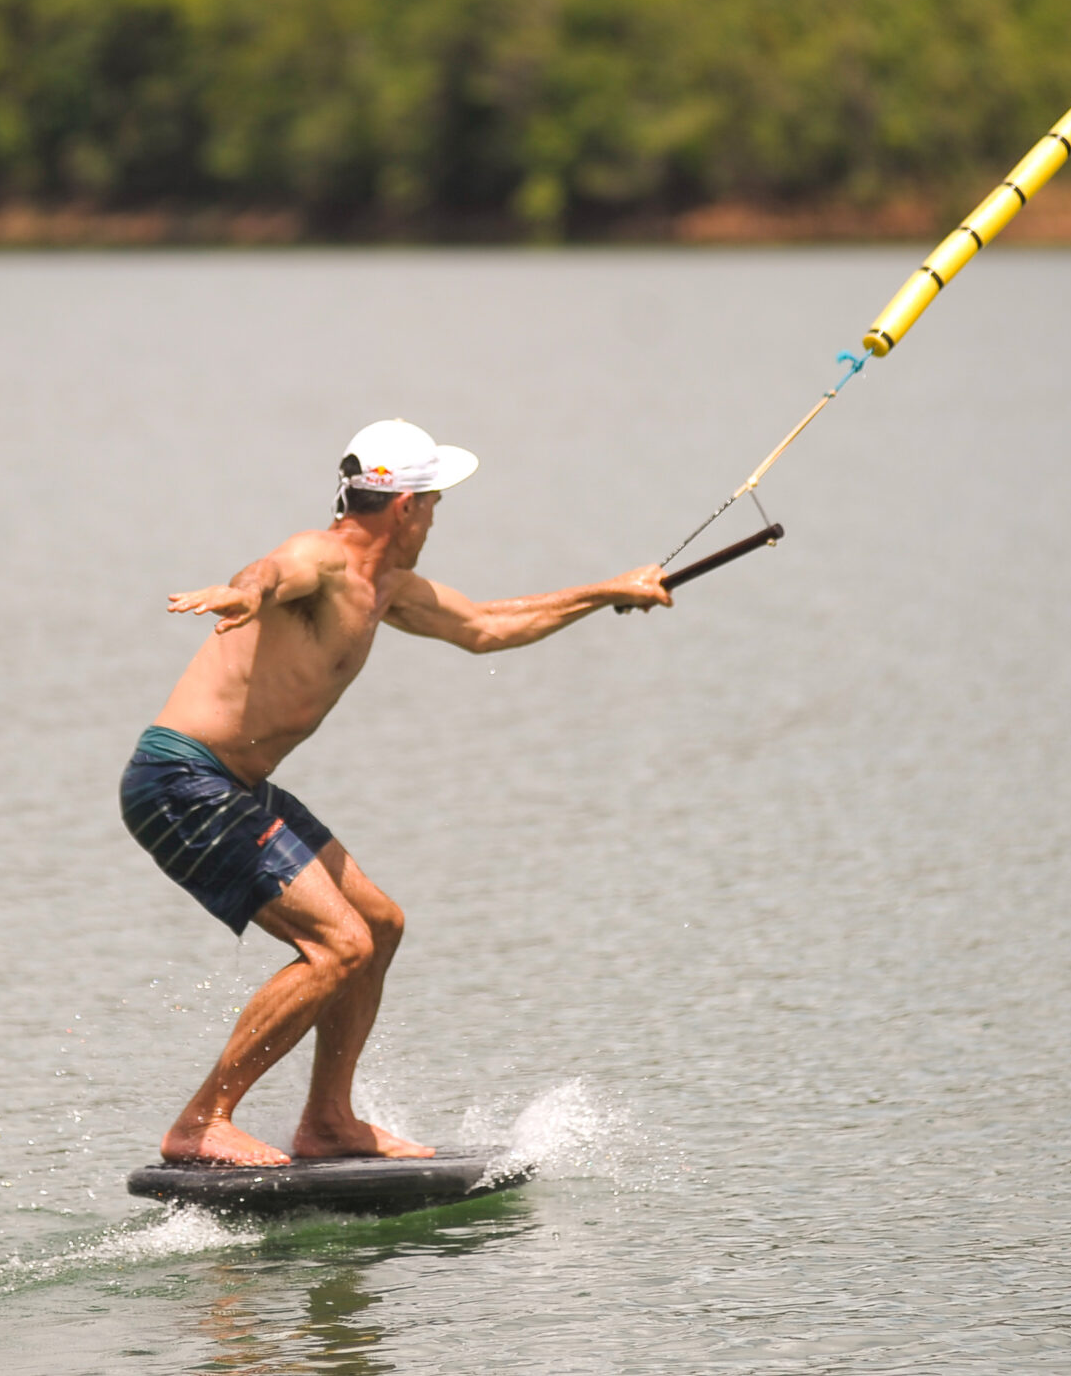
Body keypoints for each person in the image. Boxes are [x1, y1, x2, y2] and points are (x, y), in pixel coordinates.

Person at [120, 419, 672, 1166]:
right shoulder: (325, 558)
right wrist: (245, 591)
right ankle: (201, 1121)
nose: (438, 518)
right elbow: (274, 568)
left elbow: (485, 625)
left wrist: (607, 590)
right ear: (406, 506)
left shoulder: (388, 588)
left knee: (378, 924)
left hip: (236, 782)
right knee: (337, 944)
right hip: (181, 780)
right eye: (435, 502)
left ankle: (327, 1121)